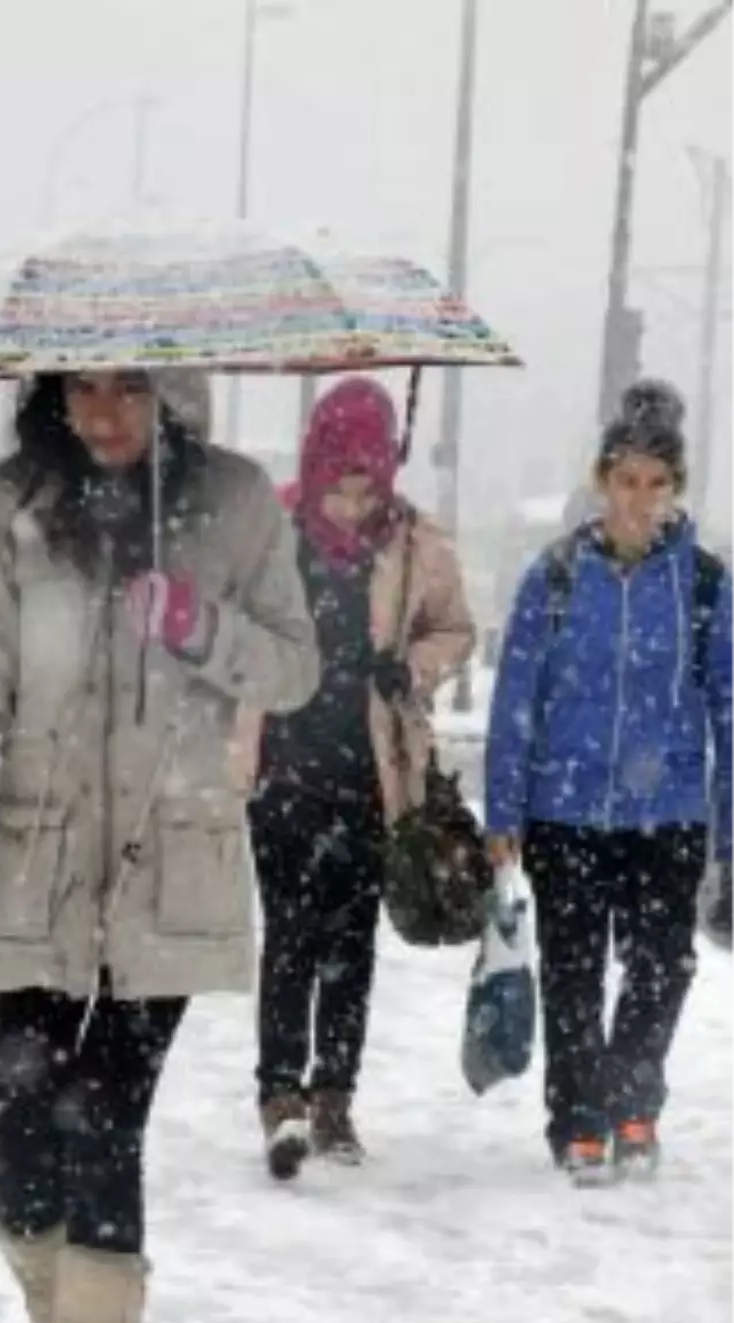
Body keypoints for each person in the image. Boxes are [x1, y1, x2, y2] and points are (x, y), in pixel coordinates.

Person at [0, 368, 317, 1323]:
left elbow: (296, 662)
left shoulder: (235, 505)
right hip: (39, 860)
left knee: (102, 1120)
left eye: (128, 390)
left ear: (169, 391)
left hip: (170, 867)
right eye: (82, 391)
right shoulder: (16, 503)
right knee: (18, 1147)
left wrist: (202, 624)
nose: (105, 415)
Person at [485, 380, 734, 1185]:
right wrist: (504, 808)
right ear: (602, 480)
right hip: (568, 810)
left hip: (668, 816)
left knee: (663, 969)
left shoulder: (704, 586)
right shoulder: (553, 578)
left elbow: (731, 715)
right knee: (571, 971)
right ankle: (579, 1119)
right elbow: (516, 700)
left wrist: (729, 831)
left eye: (657, 484)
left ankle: (635, 1103)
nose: (640, 499)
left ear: (676, 489)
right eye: (627, 480)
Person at [251, 377, 475, 1180]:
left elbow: (455, 630)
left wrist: (409, 669)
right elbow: (236, 628)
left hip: (371, 778)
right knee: (289, 937)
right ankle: (280, 1096)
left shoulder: (416, 545)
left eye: (366, 483)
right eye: (338, 482)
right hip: (281, 773)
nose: (351, 500)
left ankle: (334, 1095)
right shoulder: (271, 533)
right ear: (313, 470)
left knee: (349, 943)